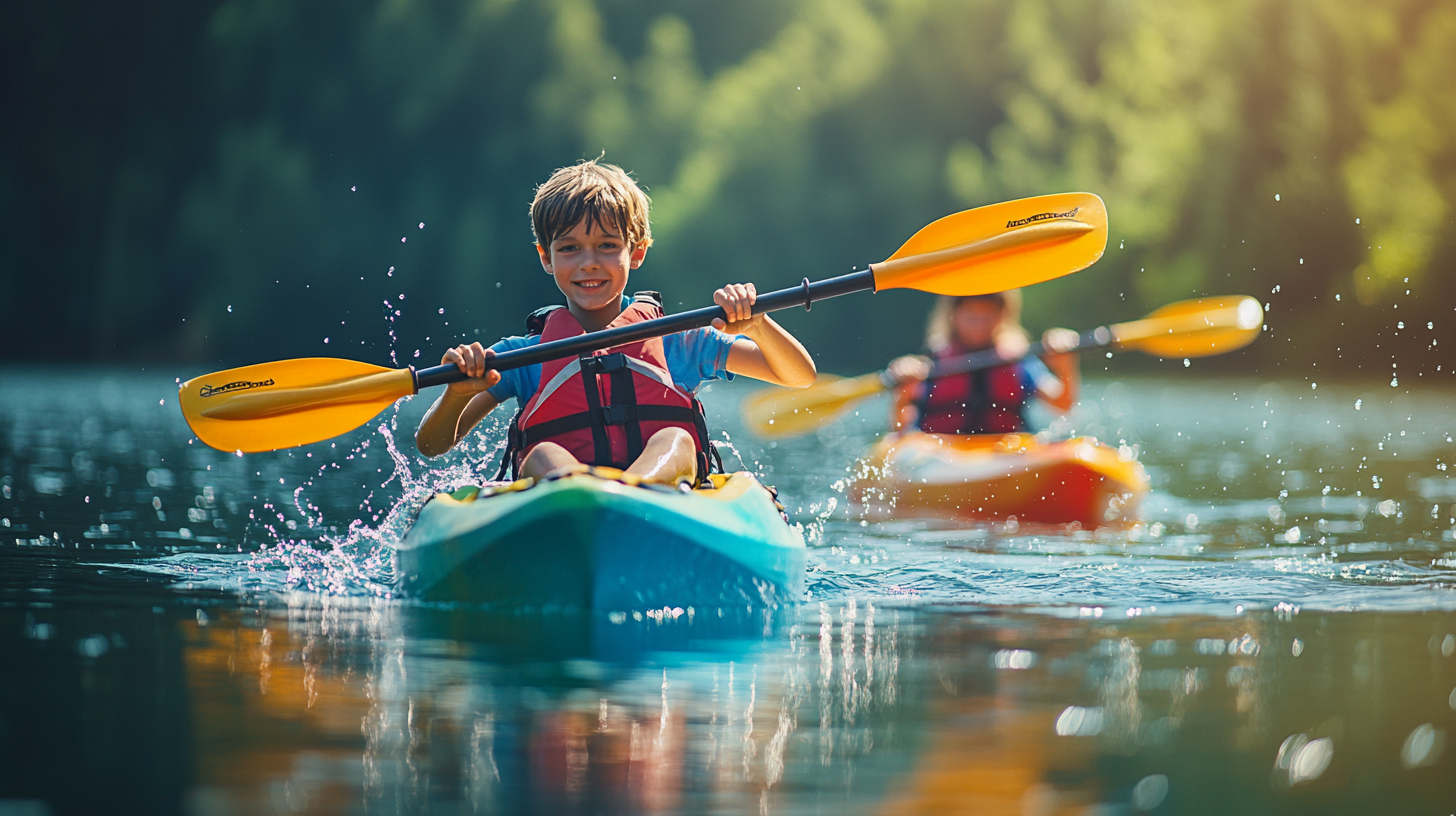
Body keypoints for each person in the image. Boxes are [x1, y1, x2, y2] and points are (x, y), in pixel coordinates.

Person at [416, 159, 816, 484]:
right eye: (569, 248)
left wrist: (758, 325)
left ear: (636, 252)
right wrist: (456, 394)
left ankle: (629, 491)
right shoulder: (522, 358)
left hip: (654, 499)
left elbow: (800, 376)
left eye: (607, 246)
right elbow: (432, 445)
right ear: (545, 257)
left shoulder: (680, 341)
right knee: (542, 454)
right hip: (567, 504)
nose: (589, 262)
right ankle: (581, 493)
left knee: (674, 439)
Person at [885, 290, 1079, 435]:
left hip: (1003, 451)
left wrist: (1065, 365)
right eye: (971, 315)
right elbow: (899, 427)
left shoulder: (1017, 360)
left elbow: (1063, 404)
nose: (979, 324)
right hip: (940, 453)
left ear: (1003, 316)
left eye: (987, 315)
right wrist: (902, 394)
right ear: (954, 316)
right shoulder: (932, 364)